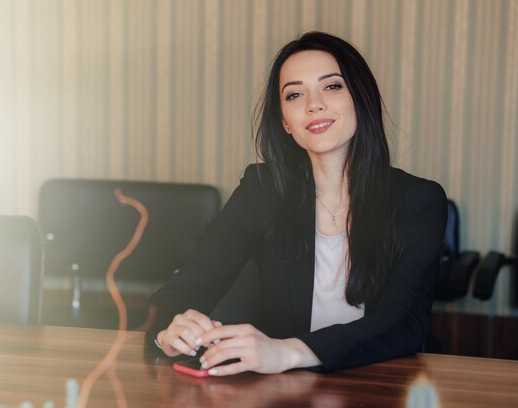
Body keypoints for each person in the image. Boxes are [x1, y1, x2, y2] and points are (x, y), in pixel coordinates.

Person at [145, 31, 447, 375]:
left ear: (361, 98)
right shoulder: (262, 189)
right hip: (287, 389)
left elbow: (404, 322)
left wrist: (287, 352)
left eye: (332, 86)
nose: (313, 104)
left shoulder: (419, 200)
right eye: (294, 94)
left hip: (380, 384)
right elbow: (188, 286)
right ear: (286, 122)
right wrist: (169, 332)